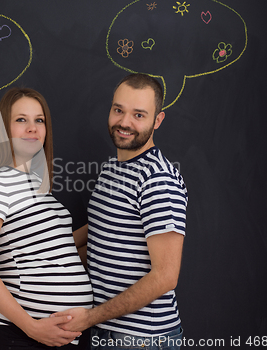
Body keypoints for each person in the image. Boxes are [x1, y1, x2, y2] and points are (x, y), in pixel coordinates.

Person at [53, 74, 188, 350]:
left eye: (139, 115)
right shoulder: (111, 169)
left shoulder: (158, 179)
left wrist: (90, 317)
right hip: (108, 335)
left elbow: (166, 276)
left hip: (145, 340)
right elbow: (100, 231)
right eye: (119, 110)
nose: (124, 123)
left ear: (157, 121)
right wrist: (46, 249)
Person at [0, 87, 93, 350]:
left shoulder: (37, 187)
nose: (32, 128)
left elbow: (56, 250)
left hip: (57, 340)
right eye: (21, 120)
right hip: (17, 338)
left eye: (39, 120)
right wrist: (33, 328)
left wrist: (106, 221)